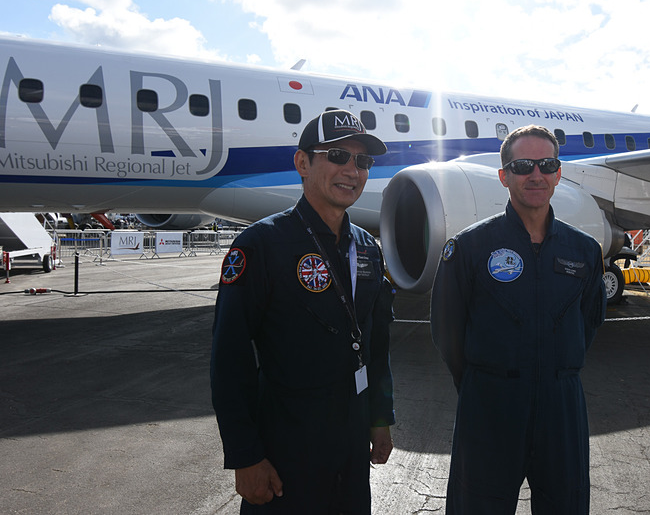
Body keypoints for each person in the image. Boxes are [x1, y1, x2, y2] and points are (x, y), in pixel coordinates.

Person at [210, 109, 396, 514]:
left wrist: (380, 417)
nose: (352, 170)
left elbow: (375, 341)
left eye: (362, 161)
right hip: (285, 445)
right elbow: (230, 358)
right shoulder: (261, 245)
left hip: (350, 442)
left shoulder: (366, 247)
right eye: (338, 156)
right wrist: (244, 455)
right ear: (302, 162)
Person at [430, 124, 606, 514]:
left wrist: (556, 368)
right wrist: (484, 380)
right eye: (523, 165)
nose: (536, 175)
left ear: (559, 173)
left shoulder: (585, 250)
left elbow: (588, 323)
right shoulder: (470, 248)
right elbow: (447, 334)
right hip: (489, 407)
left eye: (547, 164)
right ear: (504, 176)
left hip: (562, 407)